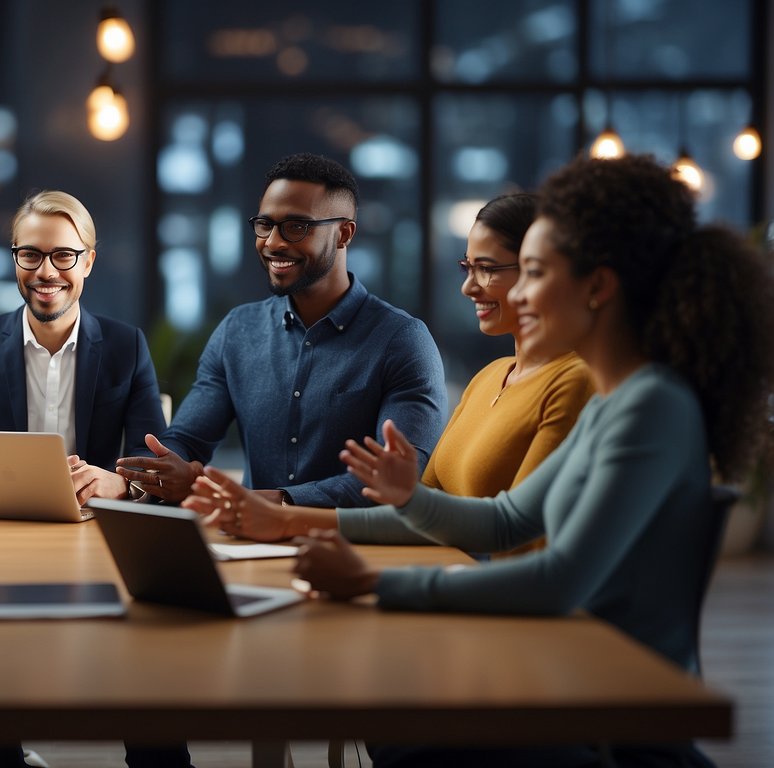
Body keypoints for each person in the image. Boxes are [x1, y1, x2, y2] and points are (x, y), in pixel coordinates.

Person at [295, 154, 774, 767]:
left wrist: (371, 582)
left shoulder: (651, 406)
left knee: (402, 730)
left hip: (605, 720)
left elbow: (558, 580)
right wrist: (409, 499)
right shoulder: (617, 402)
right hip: (565, 674)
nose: (516, 293)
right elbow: (503, 521)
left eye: (534, 273)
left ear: (597, 287)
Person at [0, 190, 179, 768]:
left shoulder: (126, 347)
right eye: (30, 255)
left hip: (98, 539)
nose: (46, 271)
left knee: (144, 645)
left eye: (63, 256)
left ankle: (159, 759)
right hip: (4, 540)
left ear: (90, 261)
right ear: (14, 260)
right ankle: (6, 760)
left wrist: (119, 483)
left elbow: (155, 461)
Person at [184, 194, 594, 550]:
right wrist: (286, 521)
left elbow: (507, 530)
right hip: (459, 589)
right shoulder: (490, 377)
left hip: (505, 612)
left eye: (486, 268)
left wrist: (292, 516)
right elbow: (422, 512)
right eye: (466, 267)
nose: (468, 287)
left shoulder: (574, 381)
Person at [117, 153, 447, 508]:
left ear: (344, 234)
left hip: (356, 551)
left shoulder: (402, 341)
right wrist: (170, 466)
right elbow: (188, 438)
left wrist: (266, 503)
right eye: (265, 224)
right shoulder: (238, 331)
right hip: (249, 549)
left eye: (296, 226)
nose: (273, 242)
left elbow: (394, 478)